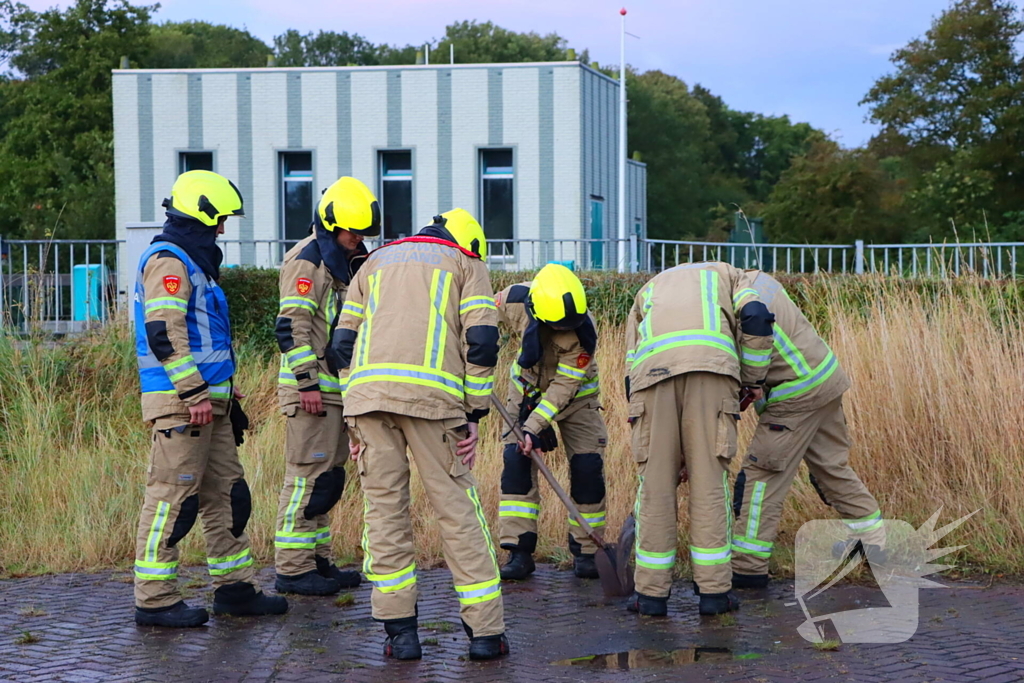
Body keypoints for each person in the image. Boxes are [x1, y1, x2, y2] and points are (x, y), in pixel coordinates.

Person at [334, 209, 509, 661]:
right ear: (467, 241)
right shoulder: (466, 264)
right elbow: (484, 340)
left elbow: (341, 344)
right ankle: (486, 635)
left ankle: (401, 636)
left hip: (369, 402)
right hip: (435, 406)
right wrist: (475, 411)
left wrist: (352, 409)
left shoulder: (374, 263)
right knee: (458, 512)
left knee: (385, 514)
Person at [133, 170, 287, 627]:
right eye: (219, 219)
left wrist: (221, 386)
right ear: (199, 216)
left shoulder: (194, 262)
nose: (222, 229)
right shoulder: (169, 261)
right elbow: (164, 332)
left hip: (209, 402)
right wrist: (196, 389)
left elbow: (203, 337)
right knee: (172, 498)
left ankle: (234, 589)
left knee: (227, 494)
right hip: (184, 404)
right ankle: (154, 598)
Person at [624, 262, 774, 616]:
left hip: (650, 380)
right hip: (712, 374)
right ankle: (714, 593)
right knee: (709, 484)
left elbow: (630, 363)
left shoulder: (650, 286)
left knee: (655, 487)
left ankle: (650, 596)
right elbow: (755, 316)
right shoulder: (731, 276)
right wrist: (752, 379)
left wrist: (641, 414)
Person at [730, 271, 886, 588]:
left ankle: (747, 567)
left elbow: (753, 335)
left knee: (762, 475)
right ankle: (875, 544)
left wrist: (750, 382)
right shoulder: (757, 280)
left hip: (795, 393)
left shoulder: (735, 302)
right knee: (831, 466)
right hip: (825, 379)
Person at [273, 177, 377, 596]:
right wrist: (306, 384)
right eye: (352, 233)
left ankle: (317, 560)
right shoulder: (308, 260)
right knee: (305, 477)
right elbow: (292, 326)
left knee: (327, 479)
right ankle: (293, 568)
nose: (357, 241)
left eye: (361, 235)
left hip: (335, 389)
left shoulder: (339, 260)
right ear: (332, 226)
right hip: (311, 390)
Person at [494, 264, 608, 581]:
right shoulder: (512, 300)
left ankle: (587, 552)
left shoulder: (585, 330)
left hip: (576, 399)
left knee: (588, 468)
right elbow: (478, 323)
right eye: (555, 326)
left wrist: (534, 426)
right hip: (526, 390)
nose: (562, 330)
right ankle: (519, 551)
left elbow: (565, 386)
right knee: (515, 464)